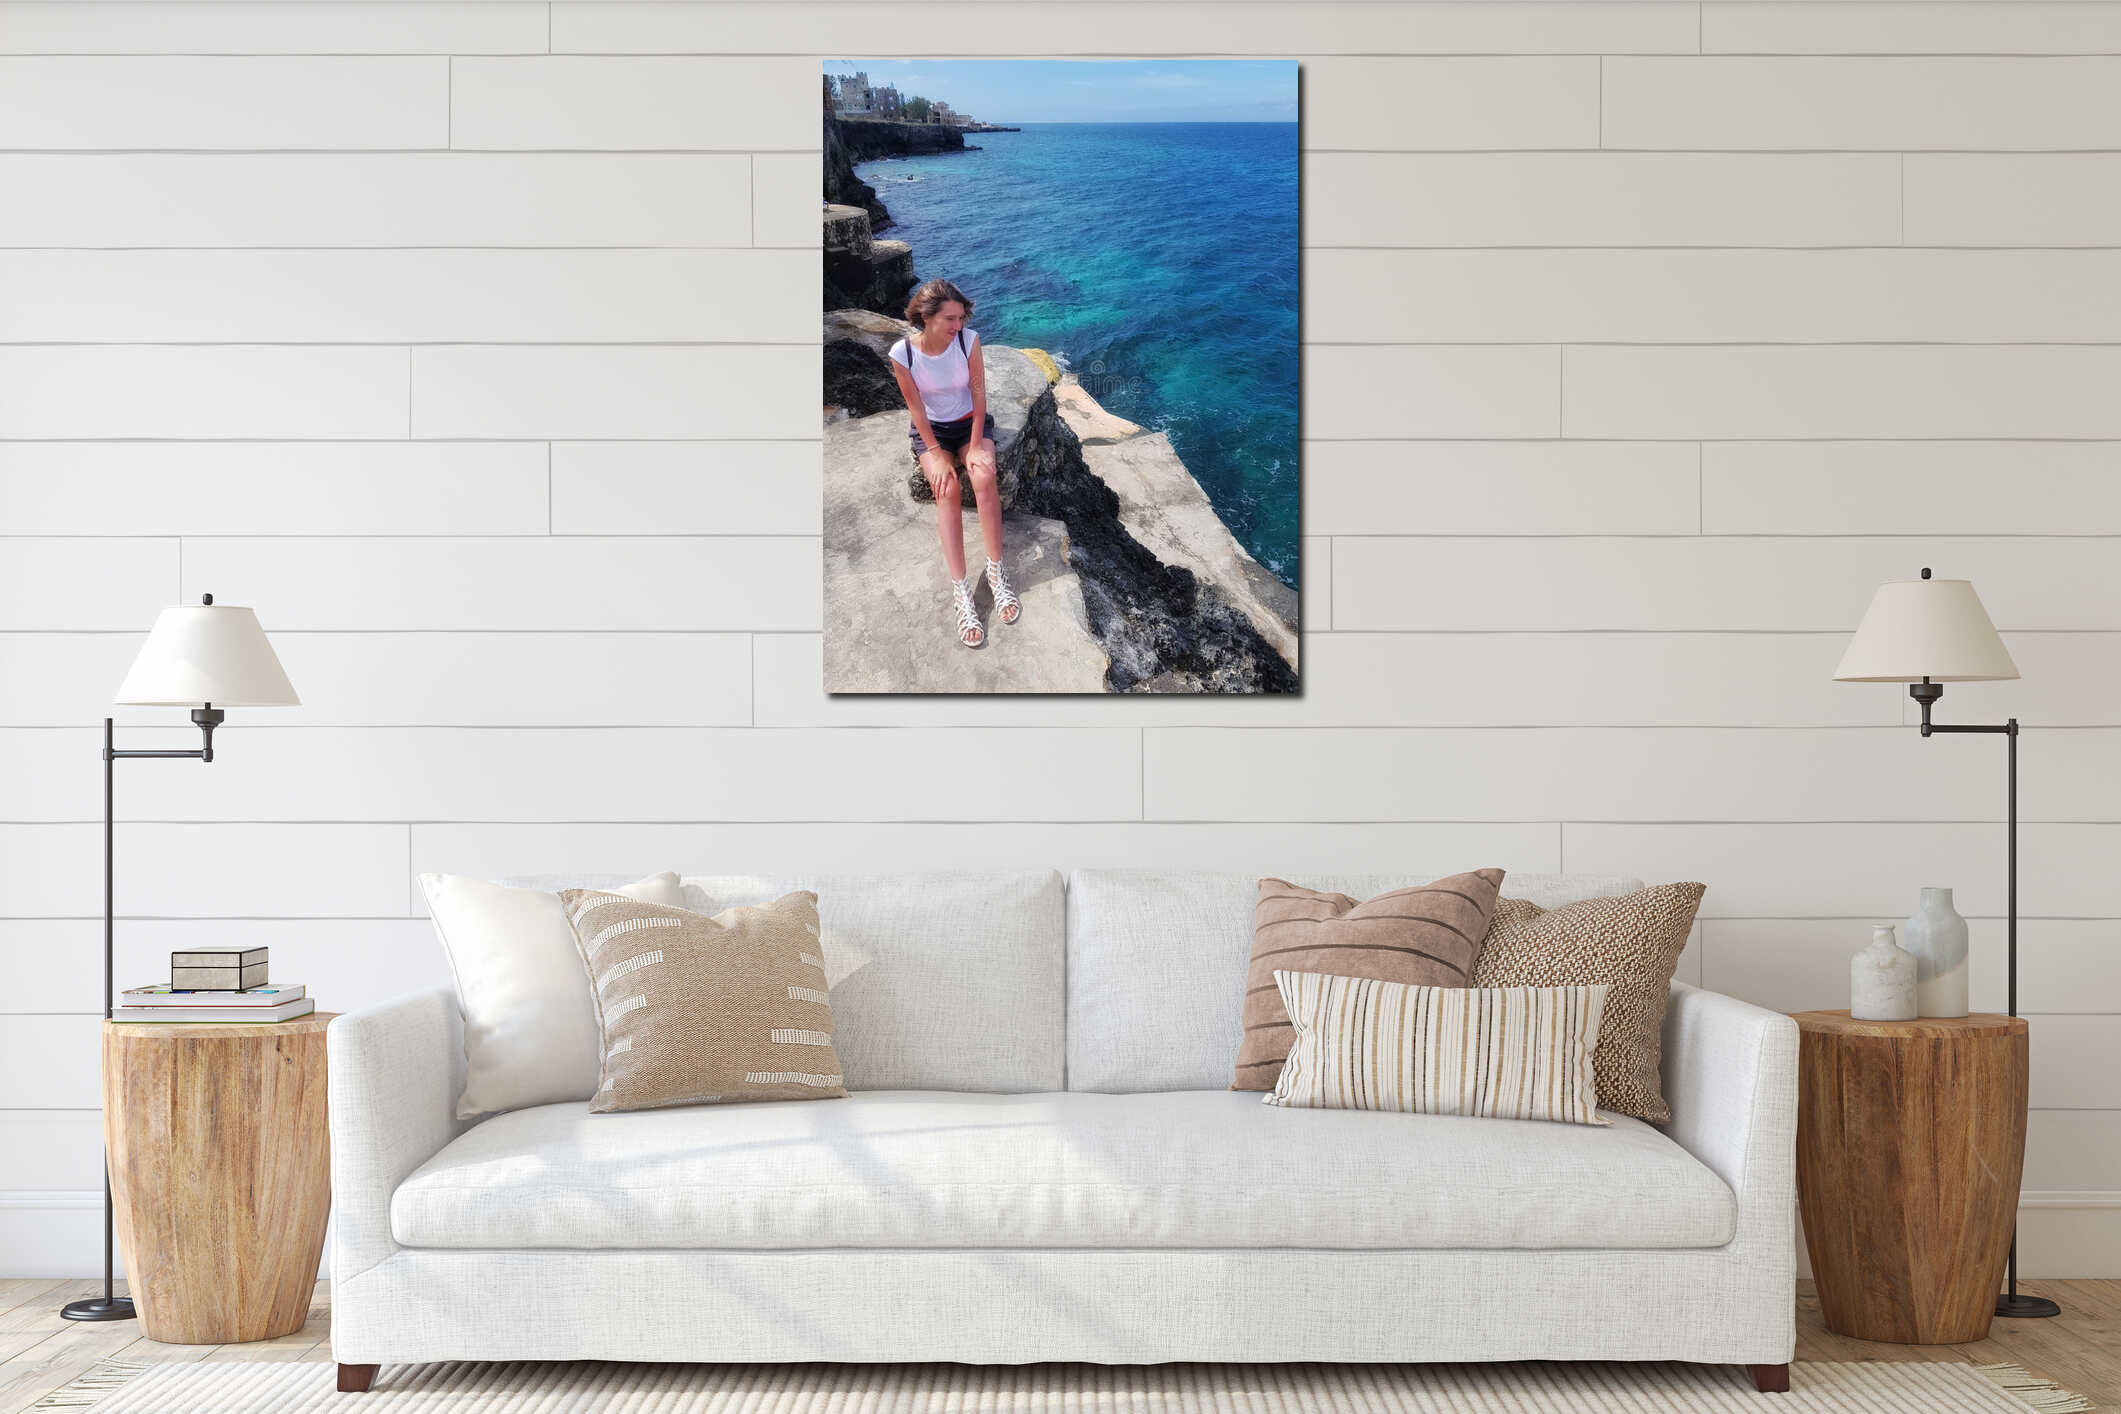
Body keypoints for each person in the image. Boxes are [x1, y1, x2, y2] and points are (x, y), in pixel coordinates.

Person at [886, 278, 1020, 649]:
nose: (958, 325)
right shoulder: (903, 353)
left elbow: (979, 397)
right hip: (932, 432)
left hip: (969, 423)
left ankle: (995, 571)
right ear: (926, 317)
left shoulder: (968, 341)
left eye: (961, 317)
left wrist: (975, 446)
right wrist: (934, 452)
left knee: (983, 476)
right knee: (945, 489)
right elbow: (915, 408)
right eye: (950, 318)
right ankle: (961, 589)